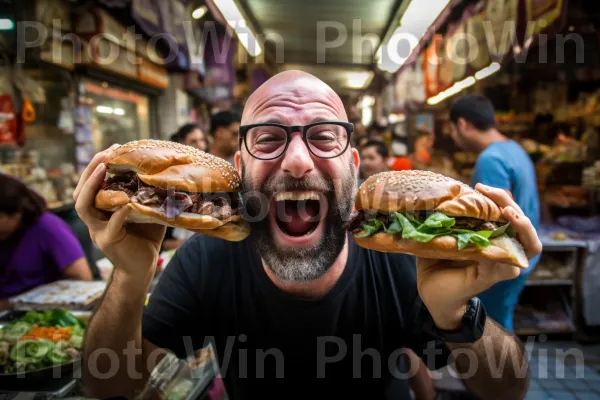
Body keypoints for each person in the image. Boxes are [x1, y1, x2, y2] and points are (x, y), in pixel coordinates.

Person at [75, 71, 540, 400]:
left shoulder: (406, 258)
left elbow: (508, 389)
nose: (297, 161)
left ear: (353, 169)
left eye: (323, 137)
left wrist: (455, 313)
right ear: (239, 171)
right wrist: (129, 276)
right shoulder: (207, 259)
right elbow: (110, 385)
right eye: (269, 138)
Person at [449, 95, 541, 332]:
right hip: (521, 252)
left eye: (452, 130)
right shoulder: (514, 149)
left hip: (503, 256)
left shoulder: (490, 159)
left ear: (462, 124)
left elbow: (491, 218)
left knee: (490, 327)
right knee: (500, 319)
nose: (453, 137)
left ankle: (501, 368)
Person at [0, 174, 92, 307]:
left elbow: (82, 278)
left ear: (16, 214)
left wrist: (12, 304)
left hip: (36, 312)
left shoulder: (47, 227)